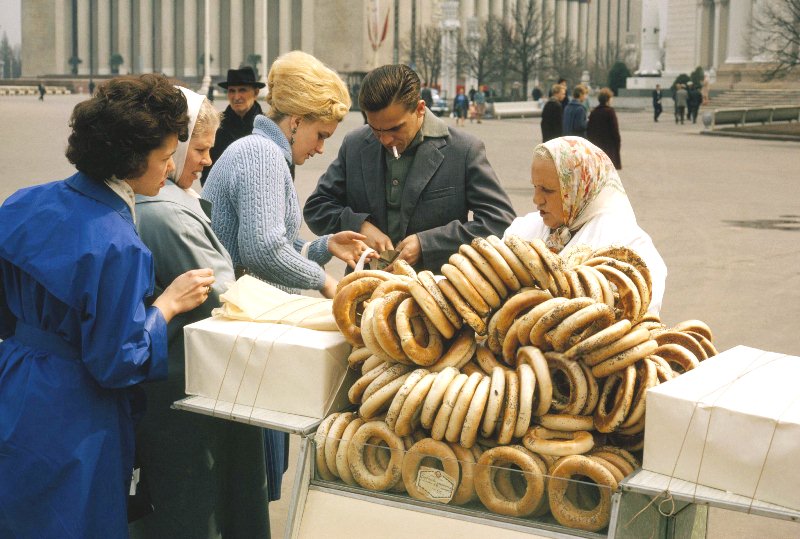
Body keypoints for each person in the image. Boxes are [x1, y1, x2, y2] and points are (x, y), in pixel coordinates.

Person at [0, 74, 213, 538]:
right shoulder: (118, 243)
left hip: (13, 383)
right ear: (131, 160)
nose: (170, 166)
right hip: (75, 411)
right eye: (163, 156)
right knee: (73, 519)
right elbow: (116, 361)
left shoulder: (22, 203)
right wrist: (167, 307)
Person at [130, 88, 270, 538]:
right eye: (201, 149)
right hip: (183, 387)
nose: (206, 161)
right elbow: (223, 296)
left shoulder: (170, 198)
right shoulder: (167, 210)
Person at [303, 64, 516, 272]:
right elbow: (317, 207)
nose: (385, 139)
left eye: (395, 128)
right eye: (375, 129)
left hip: (437, 295)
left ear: (420, 109)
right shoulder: (355, 144)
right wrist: (360, 226)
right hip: (366, 290)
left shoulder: (464, 150)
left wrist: (427, 244)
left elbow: (499, 222)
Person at [203, 51, 370, 298]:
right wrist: (324, 280)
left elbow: (277, 244)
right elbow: (264, 251)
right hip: (243, 316)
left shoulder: (262, 150)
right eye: (321, 135)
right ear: (296, 122)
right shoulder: (261, 154)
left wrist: (326, 245)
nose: (321, 148)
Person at [504, 136, 666, 314]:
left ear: (579, 189)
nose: (537, 200)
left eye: (548, 190)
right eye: (534, 187)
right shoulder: (523, 230)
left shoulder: (628, 244)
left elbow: (641, 314)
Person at [201, 66, 265, 185]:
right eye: (232, 91)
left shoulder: (268, 126)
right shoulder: (215, 126)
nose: (236, 97)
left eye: (242, 90)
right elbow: (207, 169)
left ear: (256, 92)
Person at [586, 87, 622, 169]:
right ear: (608, 99)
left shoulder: (594, 112)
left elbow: (589, 130)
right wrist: (617, 144)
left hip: (596, 146)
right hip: (609, 147)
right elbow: (615, 131)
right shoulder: (610, 112)